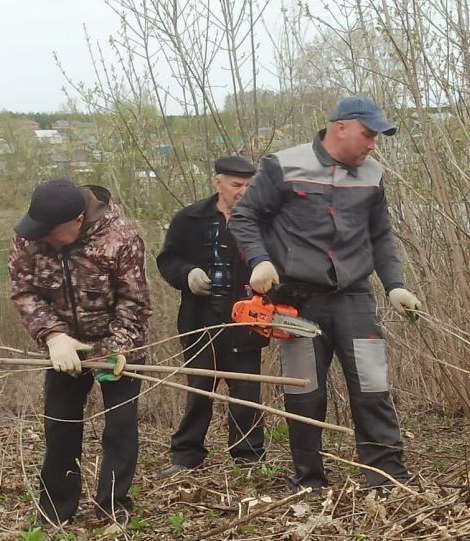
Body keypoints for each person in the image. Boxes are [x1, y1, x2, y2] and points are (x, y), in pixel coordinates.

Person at [229, 96, 422, 492]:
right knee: (305, 391)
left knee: (372, 385)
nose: (373, 144)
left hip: (354, 298)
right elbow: (245, 216)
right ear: (341, 127)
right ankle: (308, 480)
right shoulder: (284, 166)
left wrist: (395, 285)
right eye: (368, 134)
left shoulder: (373, 175)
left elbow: (380, 235)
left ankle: (386, 476)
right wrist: (260, 261)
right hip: (297, 302)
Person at [8, 177, 152, 528]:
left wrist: (117, 348)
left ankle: (113, 507)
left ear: (76, 221)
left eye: (49, 232)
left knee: (119, 429)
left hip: (118, 345)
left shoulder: (121, 237)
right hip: (64, 351)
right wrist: (53, 335)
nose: (40, 238)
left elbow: (135, 301)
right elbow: (23, 290)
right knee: (60, 426)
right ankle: (56, 509)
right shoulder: (29, 237)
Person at [156, 155, 269, 477]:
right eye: (236, 185)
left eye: (250, 185)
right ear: (217, 182)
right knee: (200, 387)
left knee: (247, 391)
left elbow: (278, 264)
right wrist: (187, 274)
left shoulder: (263, 222)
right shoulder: (188, 219)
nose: (243, 192)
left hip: (247, 320)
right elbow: (167, 260)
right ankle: (186, 454)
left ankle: (248, 454)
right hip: (199, 319)